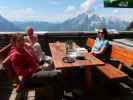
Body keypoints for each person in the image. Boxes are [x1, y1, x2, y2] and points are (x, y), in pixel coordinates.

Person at [4, 34, 63, 99]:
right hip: (29, 77)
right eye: (19, 41)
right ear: (14, 43)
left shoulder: (22, 49)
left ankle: (57, 94)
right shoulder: (16, 55)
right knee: (58, 74)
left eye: (23, 40)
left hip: (34, 71)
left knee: (57, 72)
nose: (22, 42)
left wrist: (30, 48)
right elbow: (20, 72)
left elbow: (32, 59)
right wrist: (35, 68)